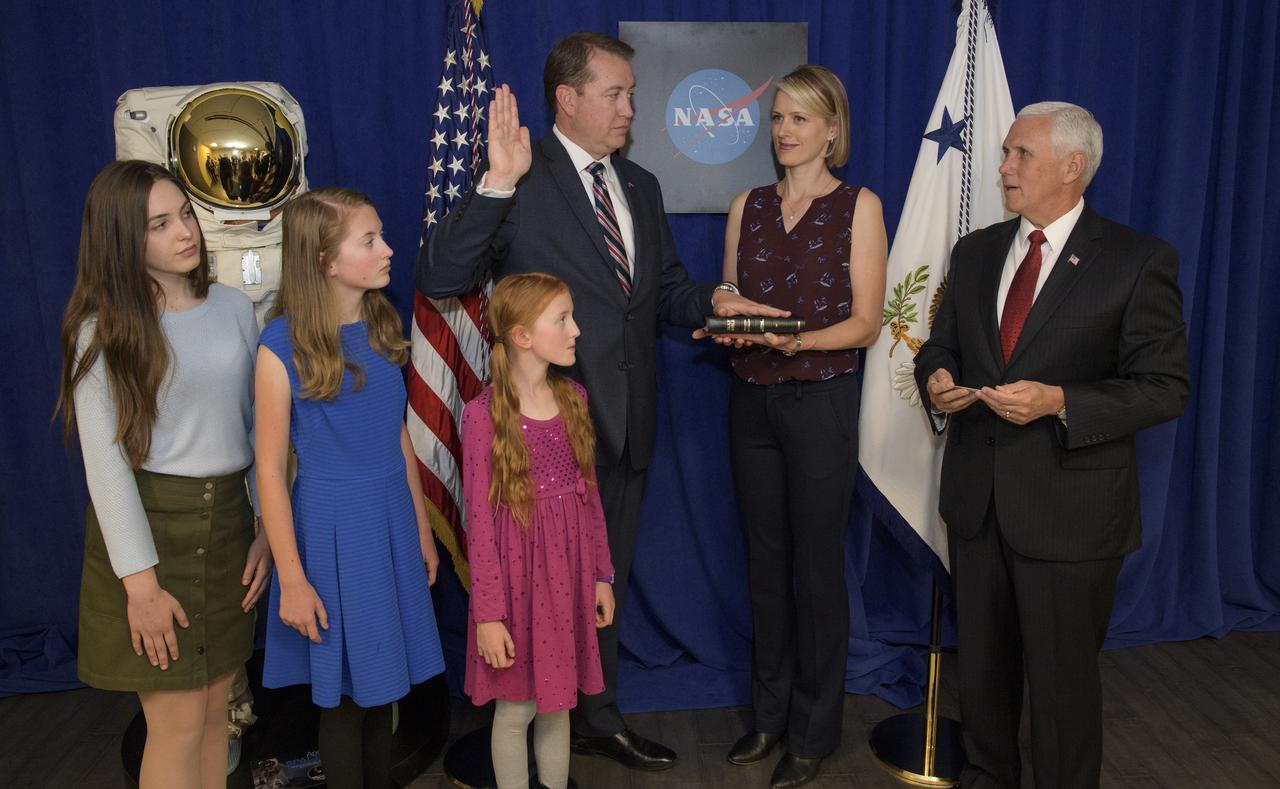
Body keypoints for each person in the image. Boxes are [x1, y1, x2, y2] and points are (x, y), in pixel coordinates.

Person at [417, 30, 784, 770]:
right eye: (616, 94)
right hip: (541, 437)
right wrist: (494, 182)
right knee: (532, 583)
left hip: (628, 423)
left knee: (600, 581)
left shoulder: (640, 185)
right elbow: (439, 272)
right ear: (569, 98)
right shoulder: (521, 174)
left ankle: (595, 713)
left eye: (631, 94)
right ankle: (534, 714)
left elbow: (665, 292)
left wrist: (722, 304)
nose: (629, 108)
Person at [914, 102, 1190, 788]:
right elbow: (941, 345)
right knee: (982, 680)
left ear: (1073, 166)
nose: (1004, 167)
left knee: (1063, 695)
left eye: (1019, 155)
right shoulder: (975, 251)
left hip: (1072, 514)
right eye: (1006, 154)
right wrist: (937, 378)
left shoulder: (1136, 259)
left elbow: (1164, 387)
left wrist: (1062, 401)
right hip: (978, 506)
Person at [57, 159, 272, 789]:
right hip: (150, 539)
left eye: (185, 213)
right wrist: (141, 586)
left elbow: (258, 428)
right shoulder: (100, 330)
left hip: (232, 527)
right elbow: (106, 467)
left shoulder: (234, 307)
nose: (186, 231)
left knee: (213, 721)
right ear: (123, 237)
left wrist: (264, 525)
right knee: (175, 726)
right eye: (160, 223)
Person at [712, 65, 887, 789]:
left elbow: (867, 321)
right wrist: (727, 315)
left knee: (816, 572)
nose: (784, 130)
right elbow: (726, 291)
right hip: (750, 401)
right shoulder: (745, 203)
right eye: (778, 117)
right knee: (764, 563)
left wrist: (798, 342)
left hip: (821, 400)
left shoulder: (860, 206)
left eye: (800, 119)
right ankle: (768, 716)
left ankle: (813, 734)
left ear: (833, 130)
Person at [255, 188, 446, 789]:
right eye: (370, 240)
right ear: (324, 260)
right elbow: (268, 472)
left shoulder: (380, 323)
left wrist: (420, 530)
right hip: (335, 530)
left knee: (379, 690)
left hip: (389, 521)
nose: (389, 249)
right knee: (343, 699)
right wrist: (291, 577)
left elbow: (398, 439)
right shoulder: (279, 347)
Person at [460, 272, 615, 789]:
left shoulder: (574, 398)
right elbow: (479, 524)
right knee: (516, 710)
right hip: (516, 585)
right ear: (523, 335)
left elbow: (588, 496)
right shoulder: (484, 416)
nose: (576, 331)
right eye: (563, 320)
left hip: (567, 579)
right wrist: (489, 615)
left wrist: (600, 575)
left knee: (558, 704)